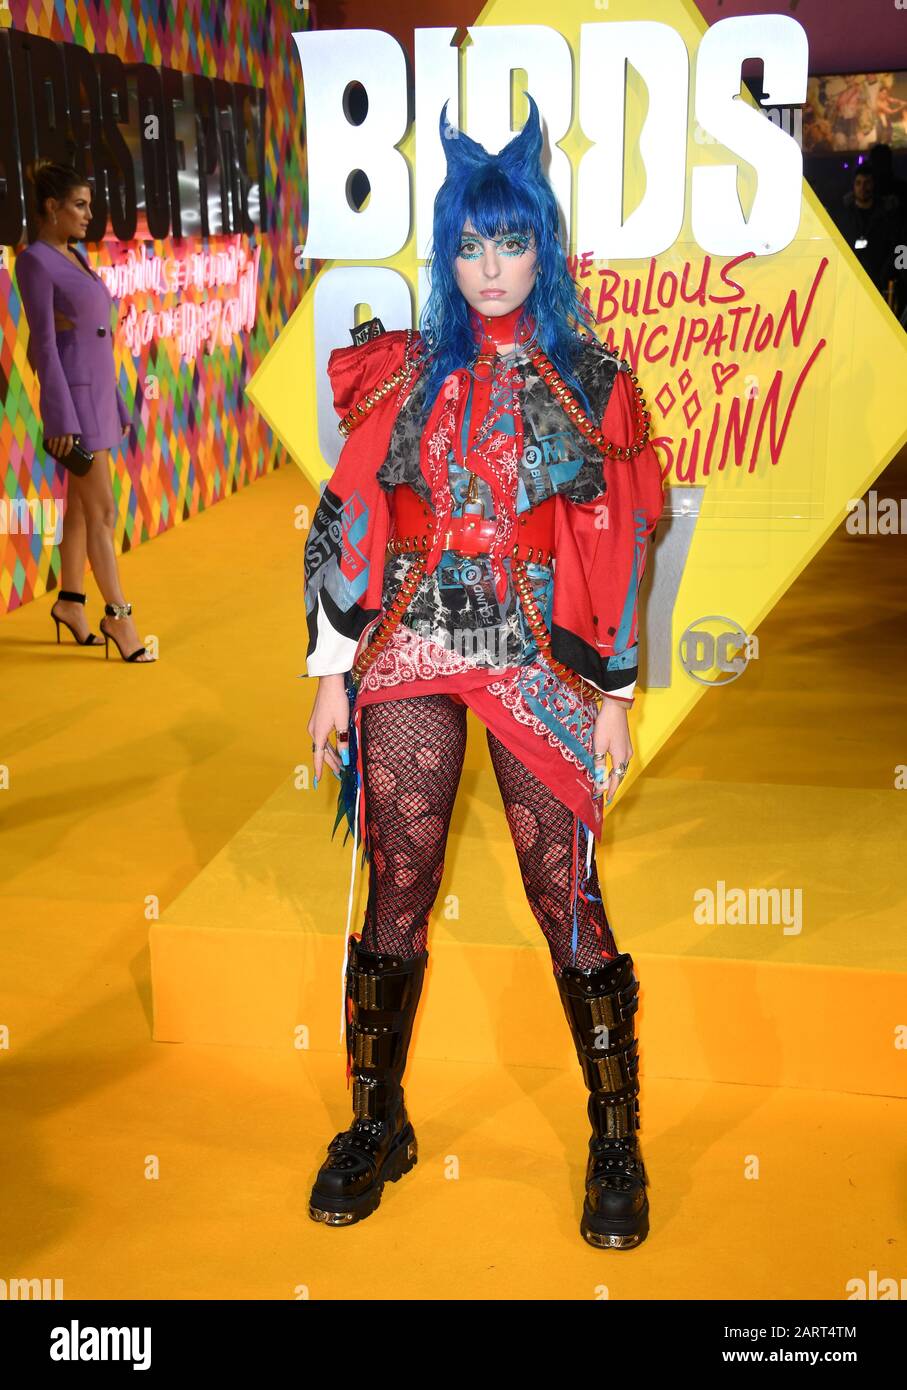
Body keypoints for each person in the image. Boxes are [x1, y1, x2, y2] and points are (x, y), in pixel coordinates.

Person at [302, 94, 665, 1249]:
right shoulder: (400, 371)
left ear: (542, 246)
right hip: (408, 636)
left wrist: (610, 692)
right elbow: (350, 511)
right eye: (468, 240)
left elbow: (617, 529)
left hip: (533, 652)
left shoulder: (586, 379)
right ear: (446, 247)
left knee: (563, 891)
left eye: (511, 240)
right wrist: (327, 669)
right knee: (398, 870)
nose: (490, 264)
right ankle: (378, 1119)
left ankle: (615, 1139)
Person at [15, 160, 155, 662]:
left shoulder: (73, 254)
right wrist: (61, 420)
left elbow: (97, 340)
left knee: (80, 509)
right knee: (103, 511)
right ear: (51, 208)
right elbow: (45, 346)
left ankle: (71, 602)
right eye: (78, 205)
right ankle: (119, 617)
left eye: (88, 205)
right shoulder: (34, 261)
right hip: (72, 405)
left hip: (96, 397)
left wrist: (118, 399)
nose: (87, 214)